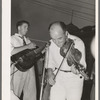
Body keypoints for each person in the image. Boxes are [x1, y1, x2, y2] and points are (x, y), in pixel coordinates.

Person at [46, 21, 87, 100]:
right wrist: (50, 73)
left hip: (74, 79)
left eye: (60, 38)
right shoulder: (51, 43)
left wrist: (76, 70)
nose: (57, 42)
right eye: (54, 39)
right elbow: (50, 62)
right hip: (58, 78)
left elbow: (82, 64)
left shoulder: (77, 42)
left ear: (66, 33)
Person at [10, 20, 37, 100]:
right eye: (25, 27)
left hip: (29, 68)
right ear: (19, 27)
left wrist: (42, 51)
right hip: (18, 69)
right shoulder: (12, 39)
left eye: (27, 28)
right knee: (15, 92)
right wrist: (27, 46)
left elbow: (32, 54)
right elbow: (11, 51)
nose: (27, 29)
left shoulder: (27, 40)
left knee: (31, 92)